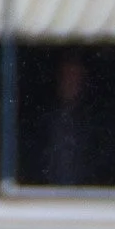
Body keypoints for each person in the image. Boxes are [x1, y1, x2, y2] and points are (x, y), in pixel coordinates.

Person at [41, 57, 93, 186]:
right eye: (66, 77)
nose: (70, 82)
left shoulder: (95, 122)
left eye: (75, 77)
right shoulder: (45, 119)